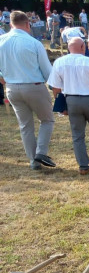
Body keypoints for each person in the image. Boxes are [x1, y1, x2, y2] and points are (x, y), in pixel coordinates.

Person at [47, 38, 89, 175]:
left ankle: (83, 166)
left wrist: (61, 106)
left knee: (77, 136)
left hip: (71, 101)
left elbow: (55, 88)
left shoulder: (59, 62)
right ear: (83, 47)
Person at [0, 11, 56, 170]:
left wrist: (3, 76)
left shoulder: (1, 41)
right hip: (34, 86)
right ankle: (41, 152)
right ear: (27, 24)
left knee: (25, 126)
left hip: (12, 88)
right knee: (47, 120)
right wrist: (55, 87)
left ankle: (33, 161)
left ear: (10, 24)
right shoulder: (33, 43)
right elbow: (47, 70)